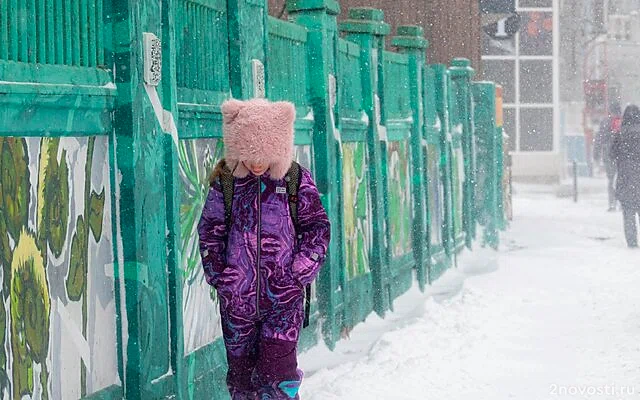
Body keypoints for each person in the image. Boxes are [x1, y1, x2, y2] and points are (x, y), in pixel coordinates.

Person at [198, 98, 331, 399]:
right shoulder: (227, 184)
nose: (257, 164)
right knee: (242, 383)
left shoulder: (296, 180)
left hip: (284, 302)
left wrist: (298, 273)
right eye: (249, 156)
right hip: (237, 305)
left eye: (265, 156)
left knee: (278, 379)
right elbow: (210, 231)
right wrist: (222, 277)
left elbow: (318, 229)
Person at [611, 104, 640, 248]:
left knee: (628, 213)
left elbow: (612, 154)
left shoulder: (620, 134)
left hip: (626, 178)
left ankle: (632, 242)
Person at [594, 103, 622, 211]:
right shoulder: (625, 122)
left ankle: (612, 204)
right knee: (622, 179)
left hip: (609, 155)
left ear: (610, 111)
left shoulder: (606, 122)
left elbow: (599, 139)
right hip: (623, 156)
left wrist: (596, 154)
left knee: (611, 180)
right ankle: (621, 202)